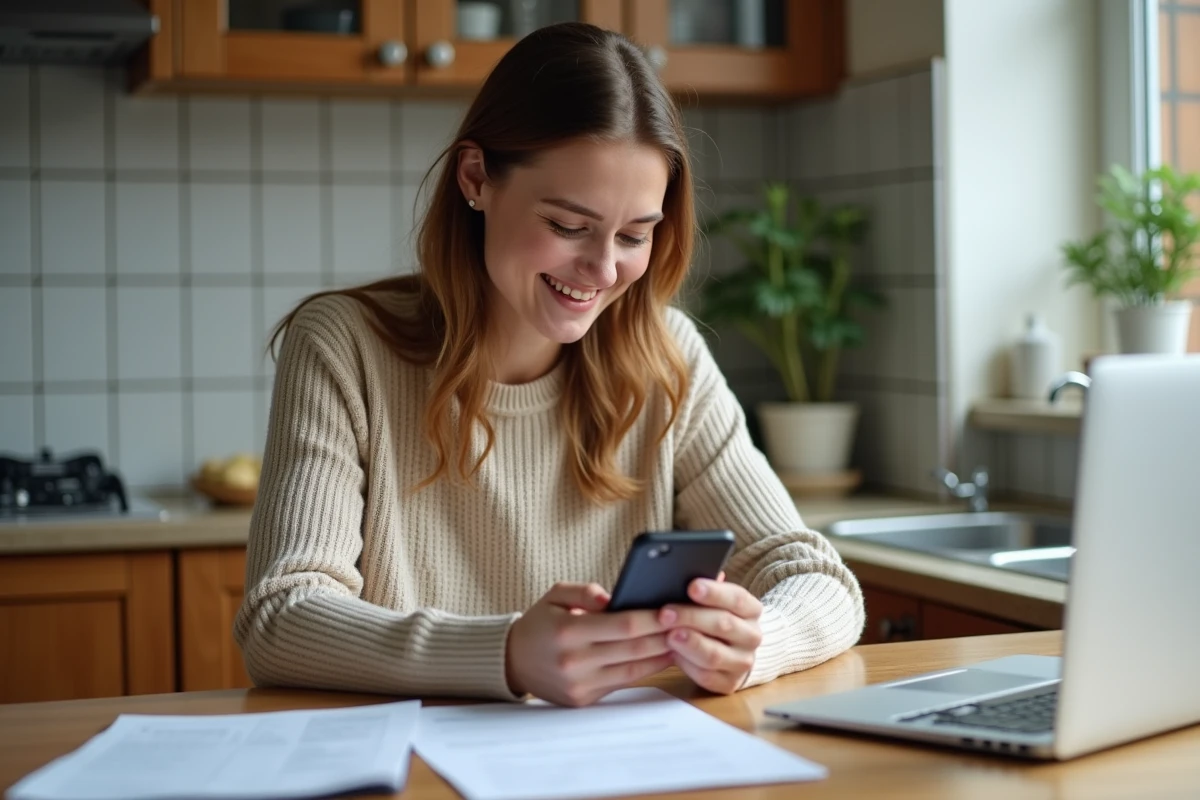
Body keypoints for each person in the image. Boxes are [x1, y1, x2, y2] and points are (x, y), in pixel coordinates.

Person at [234, 22, 864, 708]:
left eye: (634, 235)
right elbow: (281, 617)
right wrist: (505, 654)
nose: (601, 269)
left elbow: (816, 578)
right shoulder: (343, 346)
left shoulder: (669, 354)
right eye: (568, 226)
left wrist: (756, 643)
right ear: (476, 178)